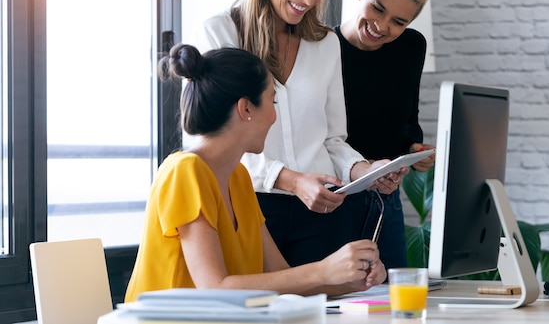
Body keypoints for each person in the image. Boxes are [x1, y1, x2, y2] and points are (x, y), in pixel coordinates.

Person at [192, 0, 406, 267]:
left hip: (323, 214)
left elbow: (332, 140)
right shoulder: (219, 34)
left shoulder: (325, 44)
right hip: (248, 206)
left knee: (325, 316)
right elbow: (210, 143)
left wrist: (366, 171)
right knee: (258, 314)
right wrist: (289, 180)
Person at [124, 44, 386, 302]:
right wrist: (323, 270)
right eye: (272, 101)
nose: (274, 116)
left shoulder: (238, 177)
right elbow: (213, 288)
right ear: (246, 108)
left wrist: (351, 280)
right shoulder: (184, 171)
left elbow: (281, 277)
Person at [334, 0, 437, 269]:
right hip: (334, 197)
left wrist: (414, 150)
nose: (382, 26)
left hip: (385, 200)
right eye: (378, 8)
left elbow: (407, 120)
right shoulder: (323, 48)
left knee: (393, 304)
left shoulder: (411, 47)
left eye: (399, 22)